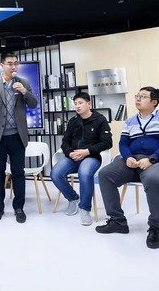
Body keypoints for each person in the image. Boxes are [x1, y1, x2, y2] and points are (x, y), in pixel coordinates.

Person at [96, 86, 159, 249]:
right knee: (105, 174)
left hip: (157, 160)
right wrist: (128, 157)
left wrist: (152, 159)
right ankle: (117, 221)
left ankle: (156, 228)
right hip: (132, 161)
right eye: (137, 96)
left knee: (155, 179)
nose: (138, 99)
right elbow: (123, 143)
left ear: (154, 102)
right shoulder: (130, 121)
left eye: (143, 96)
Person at [0, 52, 38, 223]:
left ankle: (19, 208)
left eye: (16, 63)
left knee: (18, 173)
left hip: (17, 136)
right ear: (2, 65)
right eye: (10, 63)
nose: (14, 66)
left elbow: (33, 104)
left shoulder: (23, 82)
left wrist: (24, 91)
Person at [51, 92, 112, 226]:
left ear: (89, 104)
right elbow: (65, 141)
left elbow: (107, 143)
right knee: (55, 173)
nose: (77, 106)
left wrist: (87, 151)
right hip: (73, 157)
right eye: (75, 104)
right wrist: (69, 153)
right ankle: (73, 198)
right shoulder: (73, 121)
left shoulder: (100, 120)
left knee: (84, 173)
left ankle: (84, 208)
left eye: (80, 103)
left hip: (91, 157)